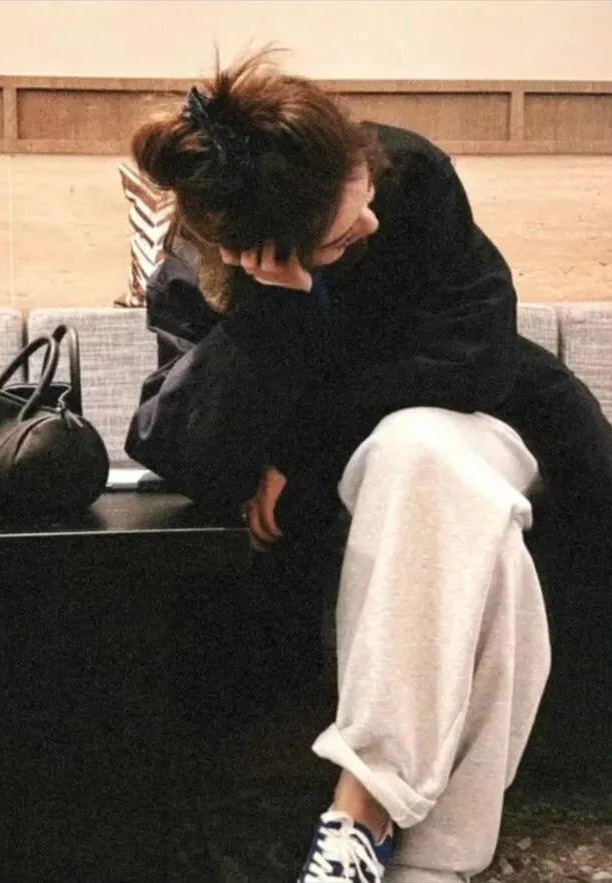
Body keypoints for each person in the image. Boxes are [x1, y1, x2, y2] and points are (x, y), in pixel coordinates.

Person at [123, 49, 612, 883]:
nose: (371, 226)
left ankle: (361, 810)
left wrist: (304, 454)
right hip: (401, 475)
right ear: (261, 251)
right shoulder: (206, 262)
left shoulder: (408, 173)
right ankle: (426, 861)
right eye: (342, 235)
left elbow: (473, 352)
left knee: (417, 448)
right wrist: (266, 316)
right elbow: (181, 447)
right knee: (457, 521)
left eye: (362, 198)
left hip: (496, 422)